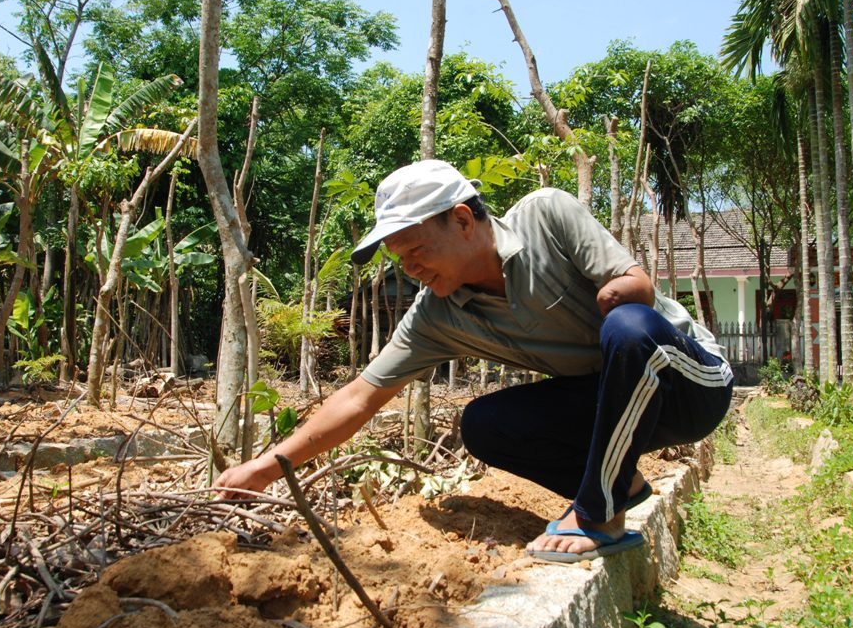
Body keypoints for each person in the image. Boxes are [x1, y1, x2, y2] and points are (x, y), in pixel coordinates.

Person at [215, 159, 734, 563]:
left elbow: (637, 288)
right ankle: (619, 488)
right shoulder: (437, 314)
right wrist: (265, 469)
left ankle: (598, 515)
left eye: (415, 250)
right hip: (608, 403)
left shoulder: (546, 217)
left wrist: (616, 294)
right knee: (484, 425)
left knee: (627, 324)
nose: (409, 269)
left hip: (685, 383)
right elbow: (359, 396)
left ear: (461, 220)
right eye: (399, 259)